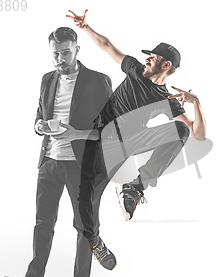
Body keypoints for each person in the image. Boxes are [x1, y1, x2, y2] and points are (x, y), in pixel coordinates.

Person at [64, 9, 207, 256]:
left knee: (181, 128)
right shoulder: (133, 69)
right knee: (88, 200)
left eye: (153, 57)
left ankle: (137, 186)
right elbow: (108, 46)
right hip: (101, 139)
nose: (148, 59)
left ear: (166, 64)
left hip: (128, 143)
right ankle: (94, 240)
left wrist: (197, 104)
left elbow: (197, 134)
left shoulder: (165, 98)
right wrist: (85, 27)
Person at [3, 27, 114, 277]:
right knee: (43, 223)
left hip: (82, 167)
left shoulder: (98, 81)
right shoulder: (46, 79)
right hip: (50, 162)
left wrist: (77, 134)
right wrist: (39, 126)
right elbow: (41, 113)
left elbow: (111, 129)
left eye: (66, 52)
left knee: (84, 227)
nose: (60, 58)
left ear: (77, 49)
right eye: (55, 53)